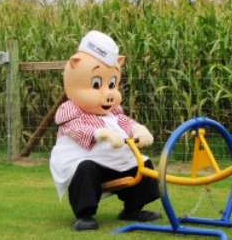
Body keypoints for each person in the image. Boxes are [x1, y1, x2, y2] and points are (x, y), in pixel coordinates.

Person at [50, 31, 161, 231]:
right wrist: (102, 134)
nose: (108, 93)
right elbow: (77, 131)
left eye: (111, 84)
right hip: (92, 165)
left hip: (115, 162)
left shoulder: (113, 114)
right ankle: (85, 215)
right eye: (96, 84)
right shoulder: (71, 114)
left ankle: (133, 209)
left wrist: (138, 129)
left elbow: (125, 122)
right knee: (84, 169)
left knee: (144, 165)